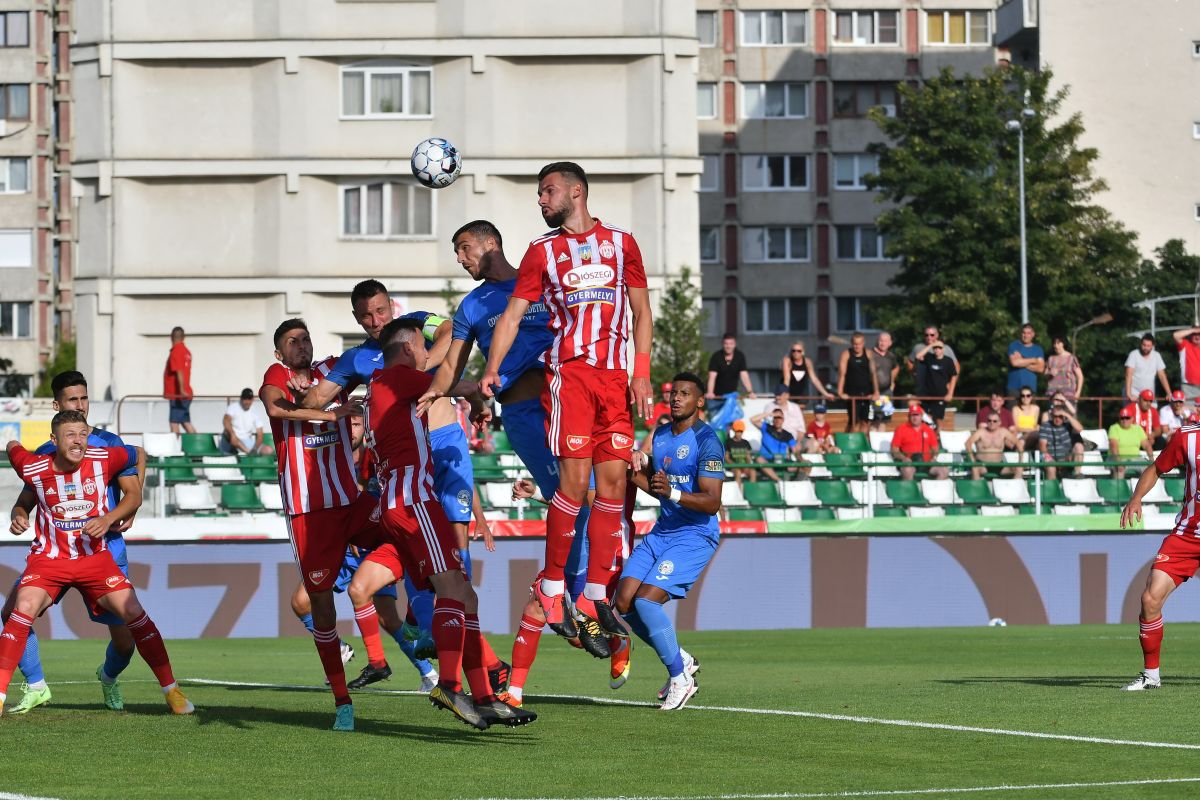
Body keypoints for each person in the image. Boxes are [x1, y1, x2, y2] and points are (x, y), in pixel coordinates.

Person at [419, 219, 624, 703]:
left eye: (465, 247)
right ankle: (561, 600)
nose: (461, 258)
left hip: (571, 397)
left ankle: (565, 598)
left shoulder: (541, 282)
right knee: (579, 498)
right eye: (457, 251)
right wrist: (430, 390)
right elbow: (452, 365)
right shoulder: (472, 306)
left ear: (491, 244)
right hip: (526, 413)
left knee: (595, 499)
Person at [477, 163, 654, 642]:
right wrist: (492, 368)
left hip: (614, 380)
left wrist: (641, 372)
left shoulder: (622, 243)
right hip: (569, 378)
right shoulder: (541, 251)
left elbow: (641, 311)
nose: (541, 200)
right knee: (575, 486)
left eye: (547, 191)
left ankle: (593, 591)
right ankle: (554, 582)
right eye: (539, 194)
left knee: (613, 488)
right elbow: (513, 315)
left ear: (576, 192)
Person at [365, 317, 534, 729]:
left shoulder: (381, 385)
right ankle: (451, 685)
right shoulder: (396, 378)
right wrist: (480, 386)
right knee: (454, 589)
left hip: (401, 503)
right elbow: (448, 381)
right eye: (421, 350)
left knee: (463, 594)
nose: (426, 356)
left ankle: (484, 696)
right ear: (407, 350)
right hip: (414, 502)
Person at [0, 411, 193, 716]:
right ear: (54, 440)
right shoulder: (34, 466)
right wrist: (20, 513)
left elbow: (138, 454)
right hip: (50, 560)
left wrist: (111, 516)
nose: (78, 442)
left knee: (133, 613)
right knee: (20, 609)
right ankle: (3, 694)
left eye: (82, 434)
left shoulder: (104, 457)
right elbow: (14, 450)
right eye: (70, 435)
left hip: (95, 560)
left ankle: (172, 692)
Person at [260, 318, 400, 732]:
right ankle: (342, 700)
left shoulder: (332, 371)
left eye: (305, 339)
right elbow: (273, 406)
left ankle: (413, 622)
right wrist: (330, 413)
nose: (300, 346)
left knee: (406, 528)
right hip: (310, 512)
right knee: (321, 604)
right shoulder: (277, 377)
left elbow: (375, 354)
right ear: (279, 353)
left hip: (351, 500)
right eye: (291, 341)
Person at [5, 370, 143, 714]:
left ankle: (109, 676)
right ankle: (36, 685)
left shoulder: (109, 443)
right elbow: (27, 495)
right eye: (72, 400)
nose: (80, 406)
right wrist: (20, 512)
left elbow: (139, 457)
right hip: (56, 552)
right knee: (12, 613)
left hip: (103, 550)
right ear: (57, 406)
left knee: (126, 640)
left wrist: (131, 506)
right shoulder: (45, 451)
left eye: (84, 399)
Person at [617, 373, 722, 711]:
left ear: (699, 401)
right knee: (623, 603)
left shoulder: (707, 441)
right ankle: (681, 659)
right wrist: (636, 461)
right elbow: (654, 482)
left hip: (695, 535)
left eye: (685, 393)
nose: (677, 398)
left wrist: (673, 492)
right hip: (663, 532)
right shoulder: (661, 435)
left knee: (647, 603)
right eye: (674, 392)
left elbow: (711, 502)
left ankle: (680, 678)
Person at [1120, 420, 1200, 690]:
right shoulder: (1187, 437)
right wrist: (1136, 498)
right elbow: (1157, 468)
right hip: (1186, 537)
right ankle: (1151, 675)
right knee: (1150, 599)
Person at [707, 333, 756, 428]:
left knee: (732, 424)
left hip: (731, 398)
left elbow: (744, 375)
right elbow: (712, 376)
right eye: (726, 343)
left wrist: (750, 392)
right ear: (723, 344)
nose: (728, 346)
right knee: (716, 424)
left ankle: (729, 441)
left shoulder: (739, 356)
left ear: (735, 344)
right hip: (717, 398)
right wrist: (710, 392)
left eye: (731, 343)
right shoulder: (716, 356)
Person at [890, 404, 948, 481]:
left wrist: (934, 457)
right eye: (912, 415)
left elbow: (935, 448)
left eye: (917, 415)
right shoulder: (901, 429)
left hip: (926, 462)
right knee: (908, 471)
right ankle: (910, 492)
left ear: (921, 416)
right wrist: (903, 458)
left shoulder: (928, 429)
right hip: (909, 461)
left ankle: (933, 491)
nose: (915, 417)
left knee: (944, 471)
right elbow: (894, 449)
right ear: (909, 416)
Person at [836, 332, 879, 432]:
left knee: (865, 421)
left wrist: (876, 391)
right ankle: (848, 442)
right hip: (852, 393)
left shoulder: (868, 354)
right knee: (853, 422)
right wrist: (840, 391)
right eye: (855, 344)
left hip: (866, 393)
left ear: (863, 343)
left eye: (859, 344)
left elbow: (873, 374)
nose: (857, 346)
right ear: (852, 343)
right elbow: (842, 374)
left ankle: (862, 444)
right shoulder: (846, 354)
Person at [966, 413, 1024, 480]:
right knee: (975, 468)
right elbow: (968, 443)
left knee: (1018, 468)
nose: (991, 423)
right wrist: (972, 460)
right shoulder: (981, 432)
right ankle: (977, 488)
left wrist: (1021, 461)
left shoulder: (1003, 432)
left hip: (999, 465)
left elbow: (1018, 443)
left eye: (994, 421)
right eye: (989, 420)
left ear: (999, 422)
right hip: (982, 465)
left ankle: (1014, 489)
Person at [907, 325, 960, 395]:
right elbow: (910, 361)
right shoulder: (918, 348)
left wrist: (950, 385)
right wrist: (915, 376)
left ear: (937, 335)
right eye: (926, 335)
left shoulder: (946, 349)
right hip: (923, 389)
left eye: (932, 335)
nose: (929, 337)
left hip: (941, 388)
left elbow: (956, 367)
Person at [1037, 404, 1084, 481]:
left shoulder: (1068, 425)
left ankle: (1077, 474)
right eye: (1055, 416)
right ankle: (1052, 489)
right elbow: (1042, 446)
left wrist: (1067, 415)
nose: (1058, 419)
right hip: (1051, 458)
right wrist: (1049, 459)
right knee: (1050, 466)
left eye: (1060, 416)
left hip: (1067, 458)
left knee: (1079, 446)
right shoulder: (1045, 426)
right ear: (1051, 416)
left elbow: (1080, 429)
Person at [751, 407, 799, 481]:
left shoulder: (788, 435)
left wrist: (800, 459)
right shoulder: (766, 427)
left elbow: (795, 450)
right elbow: (752, 419)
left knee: (804, 465)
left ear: (783, 420)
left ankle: (796, 484)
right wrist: (770, 414)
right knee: (759, 459)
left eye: (779, 418)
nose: (777, 420)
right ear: (772, 419)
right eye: (775, 418)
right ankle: (778, 480)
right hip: (767, 460)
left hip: (782, 461)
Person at [780, 341, 834, 408]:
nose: (796, 353)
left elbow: (814, 379)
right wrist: (784, 393)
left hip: (801, 393)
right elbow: (787, 379)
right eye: (793, 351)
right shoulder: (787, 361)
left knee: (799, 414)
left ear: (802, 352)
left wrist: (825, 394)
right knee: (788, 412)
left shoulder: (807, 362)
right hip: (790, 393)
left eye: (798, 351)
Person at [220, 388, 272, 455]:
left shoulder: (255, 411)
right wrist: (233, 434)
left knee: (269, 450)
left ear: (252, 399)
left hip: (247, 441)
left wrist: (255, 448)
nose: (247, 401)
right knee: (228, 433)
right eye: (245, 398)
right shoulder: (233, 407)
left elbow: (260, 433)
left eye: (249, 399)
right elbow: (226, 420)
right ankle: (249, 453)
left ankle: (250, 453)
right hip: (232, 440)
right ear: (241, 398)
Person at [163, 326, 195, 435]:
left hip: (177, 395)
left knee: (174, 423)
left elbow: (179, 371)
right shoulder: (186, 351)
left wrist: (181, 390)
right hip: (185, 394)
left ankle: (175, 448)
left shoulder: (176, 351)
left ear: (171, 337)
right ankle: (198, 442)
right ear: (183, 337)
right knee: (185, 422)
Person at [1108, 408, 1154, 480]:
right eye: (1122, 418)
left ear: (1132, 419)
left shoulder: (1138, 429)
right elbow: (1114, 446)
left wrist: (1151, 460)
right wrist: (1118, 462)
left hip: (1135, 458)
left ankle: (1147, 491)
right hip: (1116, 458)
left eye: (1127, 418)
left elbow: (1147, 445)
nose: (1124, 420)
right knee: (1119, 470)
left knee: (1150, 470)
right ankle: (1119, 491)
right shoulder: (1114, 428)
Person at [918, 341, 957, 426]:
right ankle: (928, 433)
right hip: (927, 393)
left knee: (938, 418)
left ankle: (938, 436)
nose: (937, 350)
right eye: (935, 348)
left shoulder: (948, 361)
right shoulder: (929, 358)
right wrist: (931, 345)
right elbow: (918, 356)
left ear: (943, 349)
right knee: (923, 414)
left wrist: (950, 393)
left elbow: (953, 377)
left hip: (941, 394)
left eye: (939, 348)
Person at [1125, 334, 1171, 403]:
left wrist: (1169, 393)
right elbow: (1128, 375)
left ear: (1152, 346)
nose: (1146, 348)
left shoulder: (1156, 356)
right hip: (1134, 395)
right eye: (1144, 345)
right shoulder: (1133, 354)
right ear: (1141, 344)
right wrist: (1129, 394)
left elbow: (1162, 376)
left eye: (1148, 346)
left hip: (1149, 395)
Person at [1007, 323, 1045, 396]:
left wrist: (1022, 360)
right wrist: (1033, 360)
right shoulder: (1014, 346)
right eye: (1023, 333)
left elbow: (1040, 368)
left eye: (1028, 333)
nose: (1026, 335)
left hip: (1031, 389)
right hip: (1014, 388)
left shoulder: (1038, 349)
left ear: (1033, 334)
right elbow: (1014, 363)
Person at [1045, 336, 1084, 402]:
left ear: (1063, 343)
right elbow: (1045, 374)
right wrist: (1050, 373)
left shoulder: (1071, 358)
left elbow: (1080, 376)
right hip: (1053, 394)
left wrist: (1078, 392)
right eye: (1054, 343)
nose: (1056, 345)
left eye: (1058, 343)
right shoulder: (1051, 358)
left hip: (1068, 394)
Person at [724, 419, 755, 489]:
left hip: (744, 465)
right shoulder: (729, 442)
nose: (739, 433)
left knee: (753, 472)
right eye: (737, 431)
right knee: (738, 472)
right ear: (734, 431)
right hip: (733, 467)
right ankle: (739, 493)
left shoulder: (746, 443)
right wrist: (734, 465)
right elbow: (726, 457)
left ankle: (751, 491)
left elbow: (748, 456)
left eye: (740, 431)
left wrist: (748, 465)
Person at [1172, 326, 1200, 400]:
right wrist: (1192, 330)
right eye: (1195, 334)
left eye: (1199, 334)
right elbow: (1175, 335)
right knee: (1189, 410)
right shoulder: (1185, 345)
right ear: (1191, 335)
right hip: (1189, 387)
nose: (1197, 337)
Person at [871, 331, 900, 396]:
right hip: (872, 391)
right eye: (881, 340)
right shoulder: (870, 354)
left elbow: (896, 368)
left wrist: (892, 381)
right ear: (877, 341)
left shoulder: (891, 356)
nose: (883, 343)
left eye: (885, 341)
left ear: (890, 343)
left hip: (887, 391)